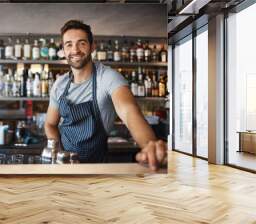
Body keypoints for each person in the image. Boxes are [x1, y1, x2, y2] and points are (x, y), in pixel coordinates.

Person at [44, 20, 167, 170]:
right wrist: (58, 152)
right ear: (63, 50)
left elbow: (129, 111)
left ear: (92, 46)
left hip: (97, 168)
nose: (75, 50)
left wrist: (149, 145)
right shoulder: (60, 85)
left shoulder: (108, 77)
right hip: (64, 166)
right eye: (69, 44)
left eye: (81, 43)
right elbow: (50, 124)